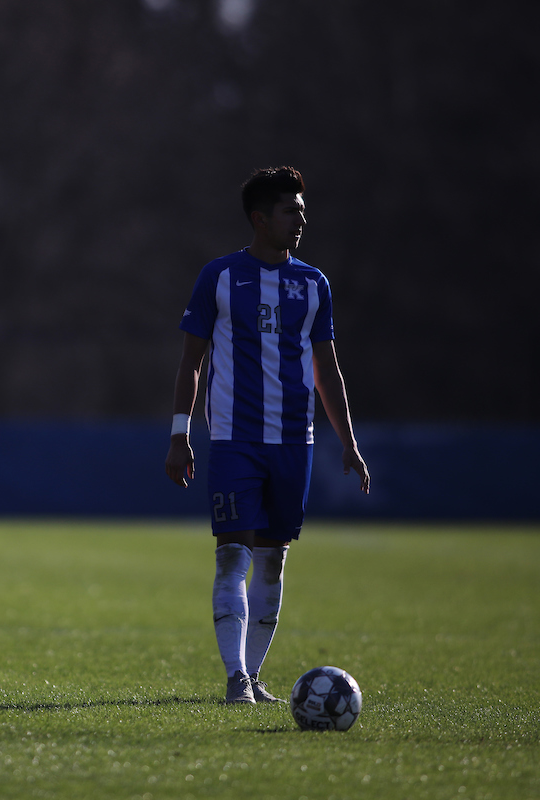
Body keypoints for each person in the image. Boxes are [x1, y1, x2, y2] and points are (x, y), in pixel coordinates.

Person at [164, 166, 370, 705]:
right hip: (234, 439)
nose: (301, 219)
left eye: (302, 210)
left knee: (274, 559)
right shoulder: (221, 276)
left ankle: (254, 677)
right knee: (233, 554)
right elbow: (191, 360)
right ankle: (235, 679)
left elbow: (327, 369)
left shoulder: (314, 283)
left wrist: (348, 441)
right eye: (290, 210)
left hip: (294, 440)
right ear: (260, 218)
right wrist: (180, 434)